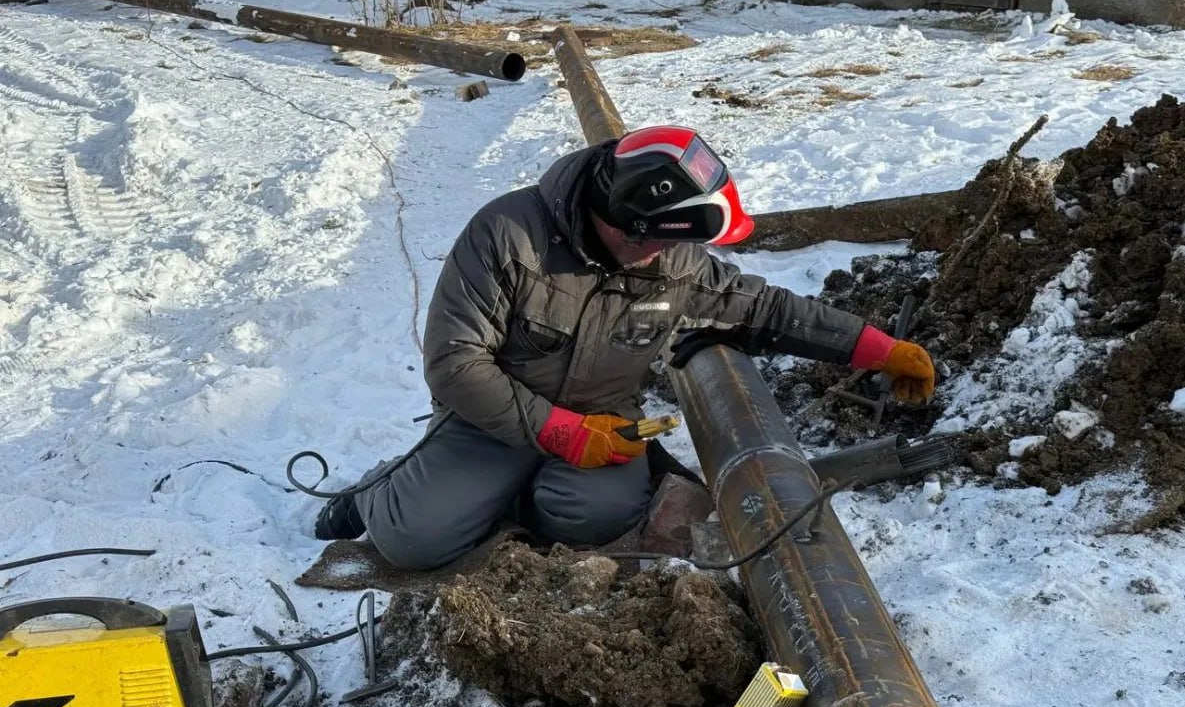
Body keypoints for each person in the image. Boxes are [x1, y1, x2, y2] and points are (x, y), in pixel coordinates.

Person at [313, 126, 935, 569]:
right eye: (660, 242)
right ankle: (376, 492)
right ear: (627, 225)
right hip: (490, 421)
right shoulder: (506, 236)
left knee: (593, 520)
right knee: (413, 541)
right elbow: (454, 363)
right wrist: (558, 433)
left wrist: (876, 348)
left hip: (607, 422)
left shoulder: (675, 262)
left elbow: (765, 308)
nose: (670, 256)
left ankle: (510, 499)